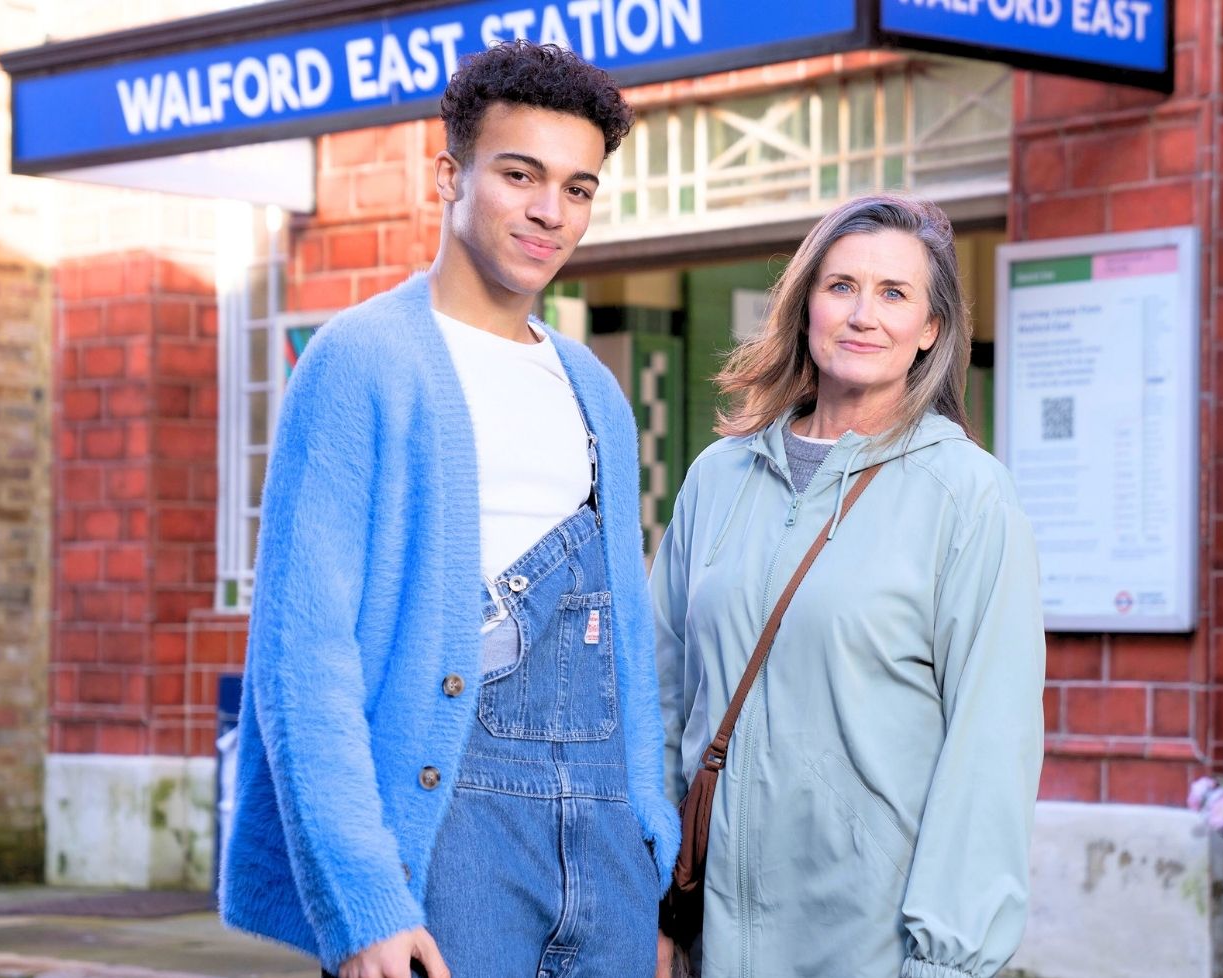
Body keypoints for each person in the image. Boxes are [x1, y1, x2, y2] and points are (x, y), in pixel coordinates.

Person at [220, 41, 678, 978]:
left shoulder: (594, 390)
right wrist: (363, 901)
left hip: (603, 848)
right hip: (443, 833)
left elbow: (626, 639)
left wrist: (647, 849)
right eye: (521, 174)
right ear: (449, 175)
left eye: (580, 188)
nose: (552, 211)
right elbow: (304, 655)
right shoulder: (362, 361)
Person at [650, 193, 1046, 978]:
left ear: (930, 329)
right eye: (842, 287)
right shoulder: (715, 478)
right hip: (708, 938)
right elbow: (660, 705)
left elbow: (989, 750)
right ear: (804, 308)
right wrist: (651, 906)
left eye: (894, 294)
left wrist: (946, 960)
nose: (864, 314)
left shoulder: (967, 495)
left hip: (871, 942)